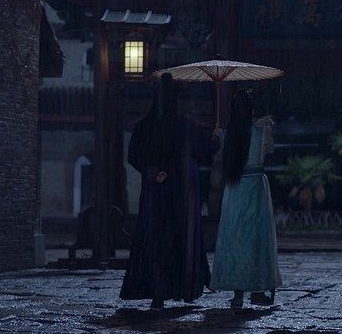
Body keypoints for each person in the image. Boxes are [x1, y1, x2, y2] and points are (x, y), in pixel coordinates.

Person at [120, 73, 221, 309]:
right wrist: (216, 138)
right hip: (180, 194)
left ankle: (158, 292)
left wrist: (152, 172)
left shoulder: (145, 126)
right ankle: (182, 287)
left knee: (156, 240)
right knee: (178, 239)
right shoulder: (185, 126)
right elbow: (205, 151)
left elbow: (134, 156)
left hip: (155, 193)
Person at [210, 89, 282, 308]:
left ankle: (238, 293)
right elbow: (270, 150)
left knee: (236, 238)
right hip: (255, 189)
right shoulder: (260, 132)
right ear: (250, 111)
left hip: (235, 189)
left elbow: (221, 158)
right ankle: (257, 289)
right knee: (256, 239)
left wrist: (217, 135)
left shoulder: (227, 136)